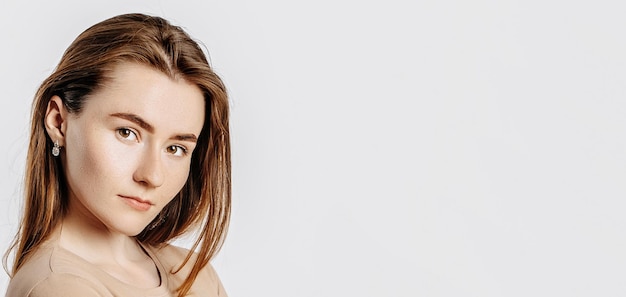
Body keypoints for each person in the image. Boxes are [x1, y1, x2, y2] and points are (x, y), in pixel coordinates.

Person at [4, 13, 231, 297]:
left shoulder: (193, 272)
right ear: (58, 121)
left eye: (175, 148)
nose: (152, 176)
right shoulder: (58, 286)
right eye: (127, 133)